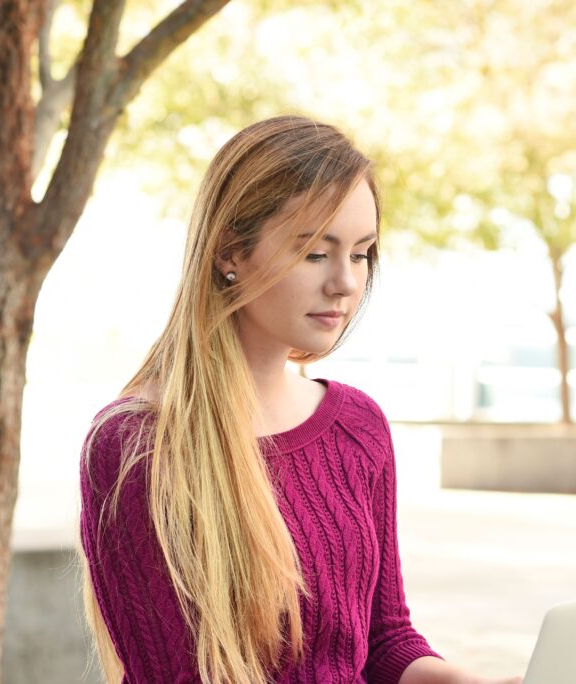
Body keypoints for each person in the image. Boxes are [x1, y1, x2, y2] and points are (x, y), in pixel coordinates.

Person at [76, 115, 523, 684]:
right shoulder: (137, 444)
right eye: (316, 253)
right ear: (229, 253)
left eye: (361, 254)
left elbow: (385, 641)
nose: (345, 282)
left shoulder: (357, 425)